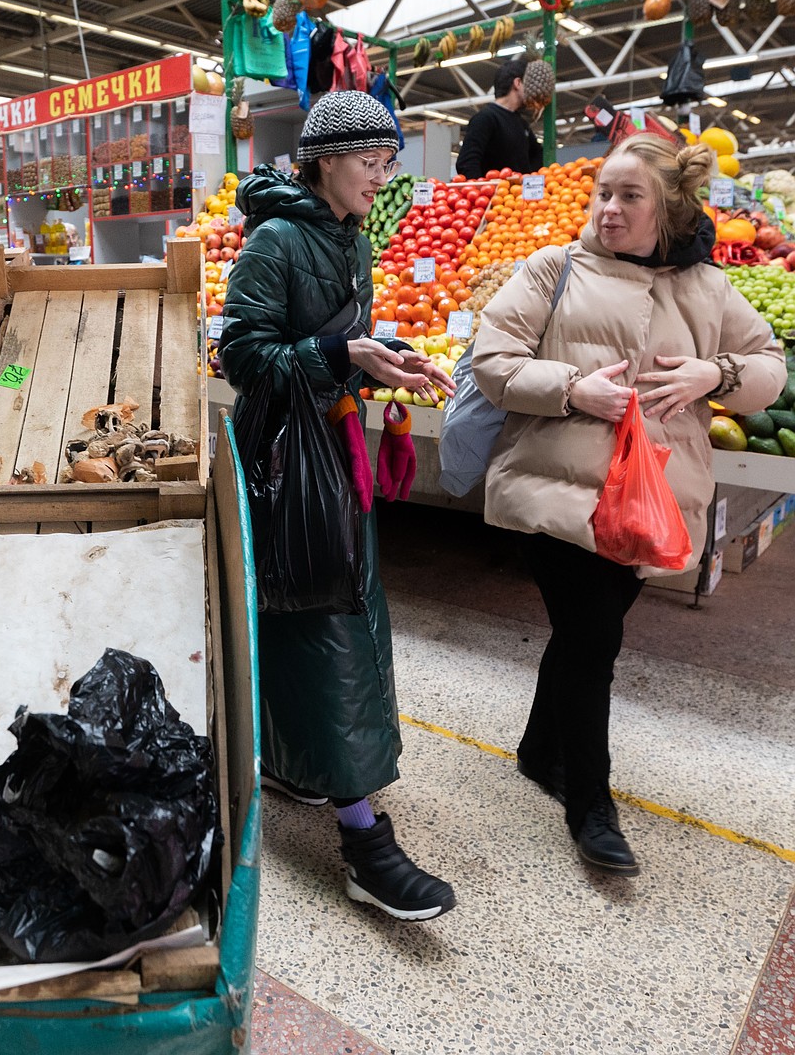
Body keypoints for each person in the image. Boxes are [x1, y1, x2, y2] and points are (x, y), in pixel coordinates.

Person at [470, 133, 785, 876]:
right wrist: (572, 389)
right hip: (554, 493)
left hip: (649, 508)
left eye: (628, 196)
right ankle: (590, 804)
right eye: (602, 194)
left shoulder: (708, 289)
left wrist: (716, 372)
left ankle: (538, 751)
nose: (608, 209)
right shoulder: (555, 268)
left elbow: (770, 367)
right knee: (594, 642)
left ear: (667, 208)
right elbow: (491, 361)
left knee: (587, 635)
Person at [219, 90, 458, 921]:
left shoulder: (349, 238)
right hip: (286, 461)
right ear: (326, 160)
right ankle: (362, 844)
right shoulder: (277, 241)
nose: (382, 176)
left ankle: (295, 764)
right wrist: (337, 352)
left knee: (319, 614)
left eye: (389, 162)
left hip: (330, 448)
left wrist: (380, 360)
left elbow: (331, 344)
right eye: (371, 162)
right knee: (327, 627)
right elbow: (242, 354)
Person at [455, 57, 543, 179]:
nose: (535, 90)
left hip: (519, 196)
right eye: (530, 84)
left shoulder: (522, 124)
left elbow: (538, 155)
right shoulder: (485, 118)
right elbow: (467, 162)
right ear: (518, 83)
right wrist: (480, 192)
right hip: (495, 196)